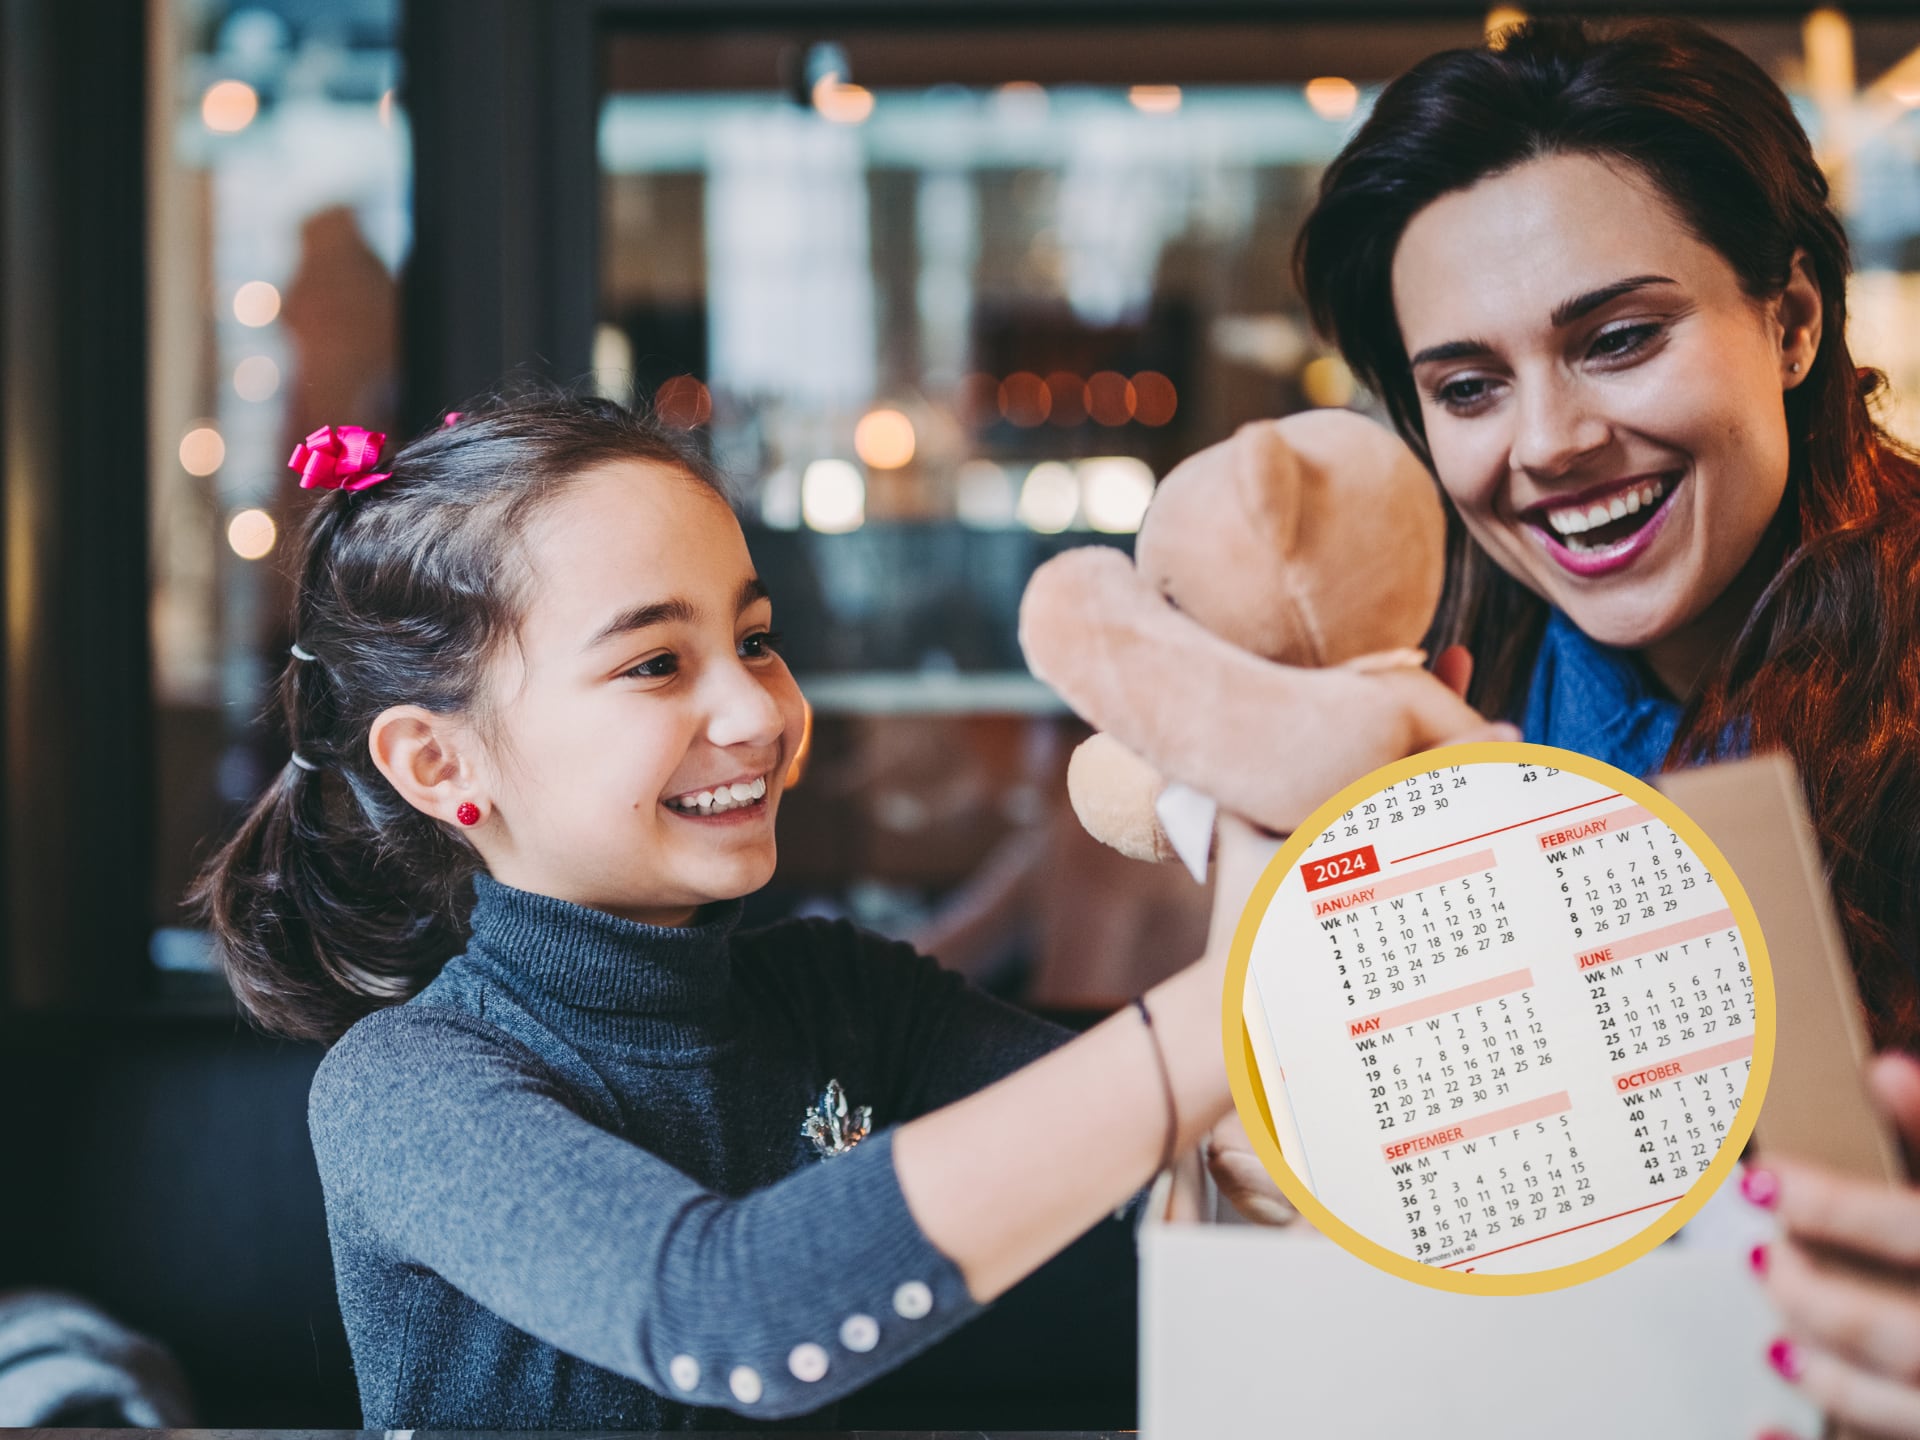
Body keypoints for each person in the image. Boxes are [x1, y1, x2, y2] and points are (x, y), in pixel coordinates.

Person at [191, 396, 1499, 1428]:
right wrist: (1213, 1022)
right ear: (440, 764)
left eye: (755, 639)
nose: (758, 712)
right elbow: (736, 1316)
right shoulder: (408, 1086)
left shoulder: (838, 996)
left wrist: (1331, 806)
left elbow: (1207, 1151)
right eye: (656, 663)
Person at [1294, 17, 1920, 1437]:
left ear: (1796, 319)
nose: (1550, 441)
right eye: (1466, 387)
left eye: (1620, 339)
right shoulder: (1455, 703)